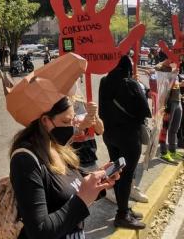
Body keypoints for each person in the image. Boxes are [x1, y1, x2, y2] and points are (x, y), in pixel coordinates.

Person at [10, 96, 118, 239]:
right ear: (45, 121)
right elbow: (39, 231)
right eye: (66, 121)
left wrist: (99, 180)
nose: (71, 127)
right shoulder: (25, 161)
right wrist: (82, 199)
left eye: (73, 120)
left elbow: (72, 188)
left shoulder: (57, 146)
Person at [99, 55, 151, 230]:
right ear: (128, 67)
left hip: (110, 135)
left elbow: (101, 111)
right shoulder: (130, 83)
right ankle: (122, 215)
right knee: (127, 175)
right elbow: (145, 111)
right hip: (129, 137)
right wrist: (140, 88)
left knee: (117, 171)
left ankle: (124, 208)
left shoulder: (104, 81)